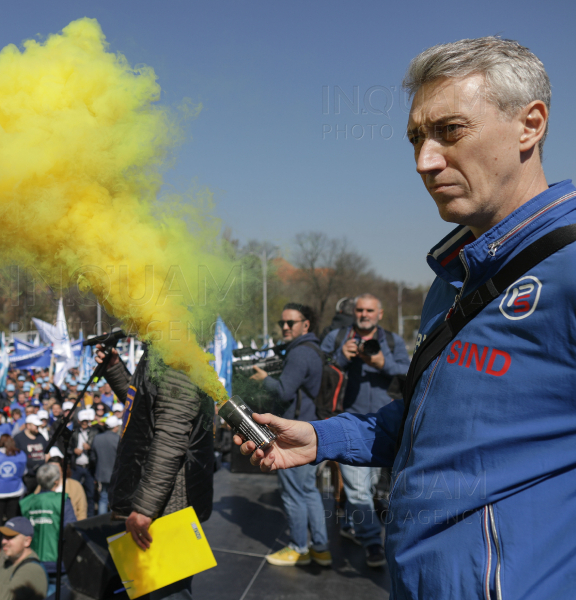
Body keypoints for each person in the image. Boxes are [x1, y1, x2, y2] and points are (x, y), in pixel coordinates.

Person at [236, 37, 576, 600]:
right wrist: (320, 437)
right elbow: (430, 422)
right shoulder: (450, 281)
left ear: (530, 125)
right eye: (417, 137)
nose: (424, 161)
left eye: (451, 131)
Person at [97, 341, 215, 600]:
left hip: (168, 509)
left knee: (169, 593)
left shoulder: (176, 353)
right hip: (158, 503)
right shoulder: (161, 349)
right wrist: (115, 368)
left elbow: (171, 438)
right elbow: (142, 409)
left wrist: (145, 509)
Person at [320, 294, 410, 567]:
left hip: (381, 423)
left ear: (380, 313)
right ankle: (372, 542)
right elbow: (319, 372)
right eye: (359, 310)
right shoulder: (336, 338)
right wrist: (341, 357)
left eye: (370, 310)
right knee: (359, 489)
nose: (364, 314)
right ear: (353, 312)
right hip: (347, 421)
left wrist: (384, 364)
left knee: (367, 485)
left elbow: (409, 372)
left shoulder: (392, 341)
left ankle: (349, 523)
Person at [246, 303, 332, 568]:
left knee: (293, 493)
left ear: (305, 324)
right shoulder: (315, 349)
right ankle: (321, 548)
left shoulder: (299, 354)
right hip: (312, 429)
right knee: (308, 491)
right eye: (282, 323)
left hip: (295, 433)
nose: (284, 327)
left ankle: (298, 548)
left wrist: (264, 379)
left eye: (290, 323)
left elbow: (284, 391)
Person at [19, 463, 76, 583]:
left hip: (33, 560)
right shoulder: (62, 500)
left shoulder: (26, 502)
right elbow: (71, 530)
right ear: (56, 482)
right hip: (57, 561)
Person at [0, 434, 26, 557]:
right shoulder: (20, 455)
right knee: (11, 518)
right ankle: (11, 544)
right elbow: (24, 472)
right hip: (15, 490)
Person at [69, 409, 98, 517]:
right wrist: (74, 451)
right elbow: (68, 448)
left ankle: (90, 517)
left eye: (86, 421)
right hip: (76, 467)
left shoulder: (94, 432)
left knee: (90, 494)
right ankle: (73, 515)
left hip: (89, 467)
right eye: (83, 421)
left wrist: (90, 448)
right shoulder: (74, 432)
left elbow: (97, 450)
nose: (84, 423)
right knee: (73, 492)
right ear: (79, 421)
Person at [91, 416, 121, 514]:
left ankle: (101, 521)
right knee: (114, 499)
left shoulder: (98, 438)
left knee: (103, 498)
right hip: (115, 473)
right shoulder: (118, 439)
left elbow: (93, 457)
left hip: (102, 473)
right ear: (115, 427)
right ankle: (113, 524)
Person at [13, 415, 47, 495]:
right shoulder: (18, 438)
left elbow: (46, 452)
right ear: (28, 425)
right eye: (36, 426)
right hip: (27, 476)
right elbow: (15, 456)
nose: (37, 428)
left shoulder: (40, 436)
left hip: (41, 475)